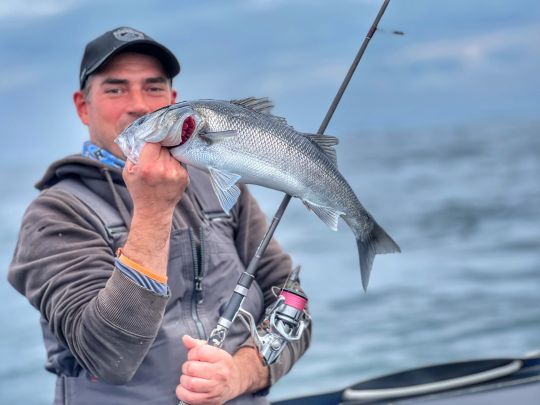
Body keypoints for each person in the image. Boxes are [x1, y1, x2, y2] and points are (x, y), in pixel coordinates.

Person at [8, 27, 311, 405]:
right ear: (83, 107)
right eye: (116, 89)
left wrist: (239, 375)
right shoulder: (55, 214)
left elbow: (292, 305)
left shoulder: (221, 186)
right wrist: (153, 209)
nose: (139, 105)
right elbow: (107, 356)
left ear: (175, 102)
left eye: (154, 88)